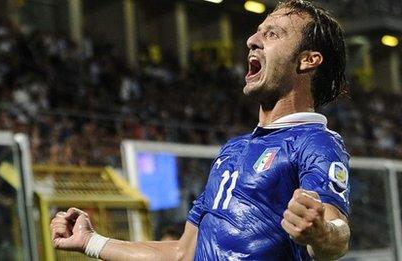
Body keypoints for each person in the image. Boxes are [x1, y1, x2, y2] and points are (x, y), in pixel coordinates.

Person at [50, 0, 350, 260]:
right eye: (257, 31)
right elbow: (183, 253)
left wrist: (321, 233)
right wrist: (92, 241)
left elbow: (337, 234)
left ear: (307, 60)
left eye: (272, 34)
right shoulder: (233, 150)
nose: (252, 40)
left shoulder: (316, 143)